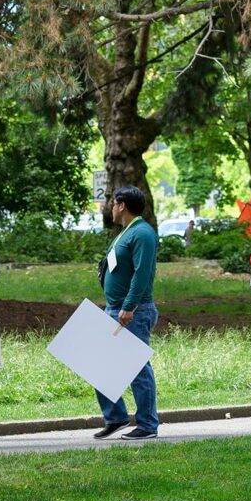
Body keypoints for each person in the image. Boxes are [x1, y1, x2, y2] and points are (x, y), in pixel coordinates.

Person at [93, 186, 160, 441]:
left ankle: (147, 424)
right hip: (116, 308)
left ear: (122, 205)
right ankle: (116, 417)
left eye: (113, 203)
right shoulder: (126, 232)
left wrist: (129, 306)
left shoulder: (142, 233)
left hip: (133, 310)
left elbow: (142, 273)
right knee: (97, 362)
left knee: (137, 367)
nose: (110, 207)